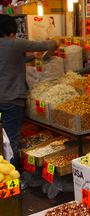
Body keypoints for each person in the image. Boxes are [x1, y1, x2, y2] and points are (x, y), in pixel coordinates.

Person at [0, 14, 60, 167]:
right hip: (11, 100)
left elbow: (10, 62)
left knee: (2, 141)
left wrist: (33, 56)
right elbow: (43, 45)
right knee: (12, 141)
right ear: (11, 29)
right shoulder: (15, 43)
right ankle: (12, 178)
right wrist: (57, 41)